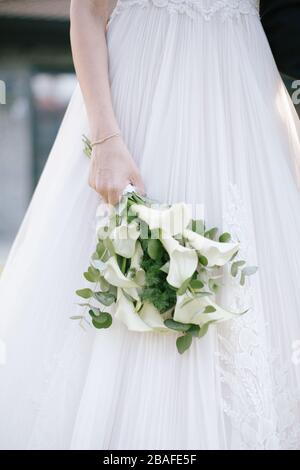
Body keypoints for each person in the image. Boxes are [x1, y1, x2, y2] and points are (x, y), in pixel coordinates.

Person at [0, 0, 299, 450]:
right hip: (139, 105)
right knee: (126, 287)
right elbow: (88, 11)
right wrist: (105, 139)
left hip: (243, 115)